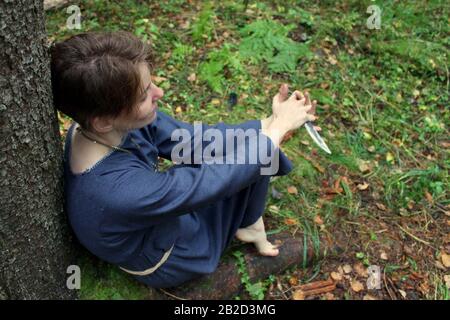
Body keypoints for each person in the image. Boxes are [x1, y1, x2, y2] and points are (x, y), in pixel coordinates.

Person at [51, 31, 318, 288]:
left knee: (249, 150)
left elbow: (192, 141)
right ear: (103, 121)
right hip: (174, 255)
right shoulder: (116, 191)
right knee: (249, 158)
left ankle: (249, 222)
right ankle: (246, 223)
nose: (159, 93)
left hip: (157, 220)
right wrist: (276, 131)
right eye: (144, 95)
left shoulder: (101, 125)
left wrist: (271, 122)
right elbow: (205, 183)